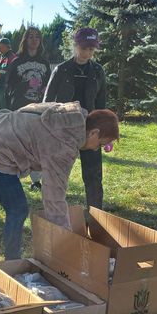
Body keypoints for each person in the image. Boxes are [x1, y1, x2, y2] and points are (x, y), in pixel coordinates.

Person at [0, 102, 119, 261]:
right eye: (100, 144)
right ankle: (13, 262)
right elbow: (54, 196)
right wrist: (66, 240)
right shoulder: (64, 145)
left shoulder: (68, 114)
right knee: (18, 208)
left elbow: (27, 110)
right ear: (94, 132)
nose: (95, 149)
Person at [44, 27, 108, 209]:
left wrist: (104, 132)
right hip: (64, 130)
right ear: (76, 45)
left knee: (93, 176)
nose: (88, 52)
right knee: (59, 174)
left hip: (90, 130)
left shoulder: (97, 71)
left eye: (92, 49)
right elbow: (47, 103)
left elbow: (101, 104)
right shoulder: (61, 70)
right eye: (85, 48)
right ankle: (55, 212)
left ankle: (96, 216)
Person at [7, 27, 52, 191]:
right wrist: (26, 84)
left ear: (40, 41)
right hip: (20, 108)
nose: (34, 40)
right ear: (25, 40)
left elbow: (50, 87)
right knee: (18, 144)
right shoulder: (17, 62)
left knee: (37, 145)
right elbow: (9, 87)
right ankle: (14, 176)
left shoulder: (45, 63)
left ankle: (36, 180)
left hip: (38, 109)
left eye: (37, 37)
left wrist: (44, 89)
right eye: (30, 37)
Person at [0, 37, 17, 113]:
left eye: (0, 46)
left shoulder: (13, 58)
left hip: (5, 91)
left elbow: (14, 76)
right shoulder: (2, 57)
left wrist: (1, 76)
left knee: (4, 113)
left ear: (6, 46)